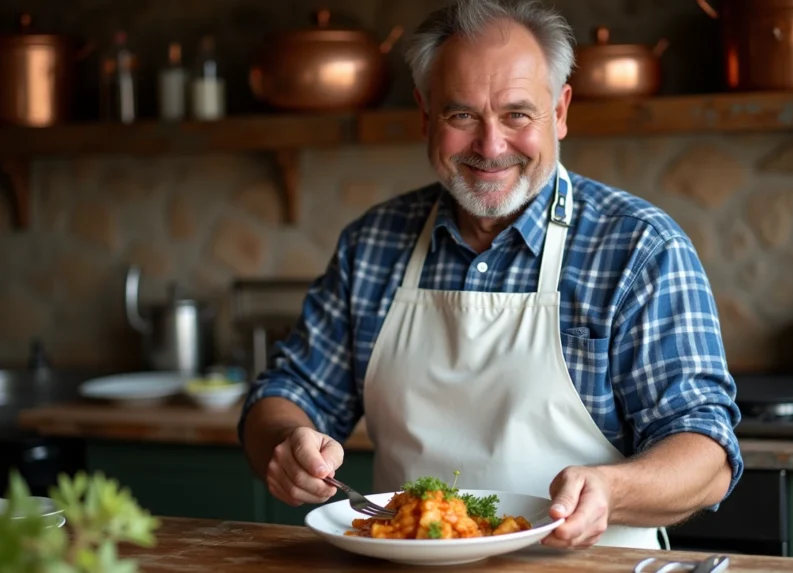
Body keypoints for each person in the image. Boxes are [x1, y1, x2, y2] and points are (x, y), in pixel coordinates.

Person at [238, 0, 743, 550]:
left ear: (561, 110)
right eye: (462, 115)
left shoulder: (639, 247)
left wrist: (612, 489)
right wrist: (289, 442)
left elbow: (707, 452)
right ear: (425, 114)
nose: (491, 145)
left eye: (517, 114)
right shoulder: (373, 244)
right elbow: (288, 390)